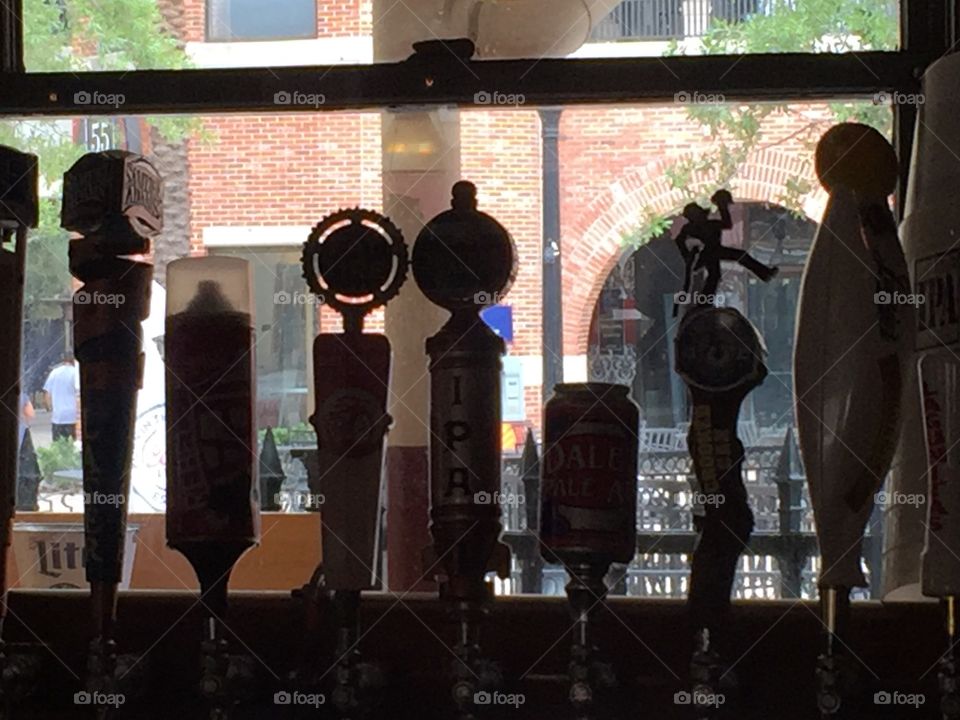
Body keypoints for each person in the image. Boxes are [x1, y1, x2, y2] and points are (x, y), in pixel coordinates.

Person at [675, 189, 779, 304]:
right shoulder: (693, 228)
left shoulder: (708, 225)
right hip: (707, 253)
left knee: (715, 275)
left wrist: (722, 207)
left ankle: (704, 302)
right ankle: (764, 273)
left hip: (710, 253)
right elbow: (679, 242)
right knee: (737, 257)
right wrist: (688, 256)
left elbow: (726, 224)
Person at [43, 354, 79, 441]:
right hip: (72, 417)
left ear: (63, 360)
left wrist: (49, 408)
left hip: (58, 417)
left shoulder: (54, 372)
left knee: (58, 447)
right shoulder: (75, 373)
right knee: (71, 447)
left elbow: (47, 393)